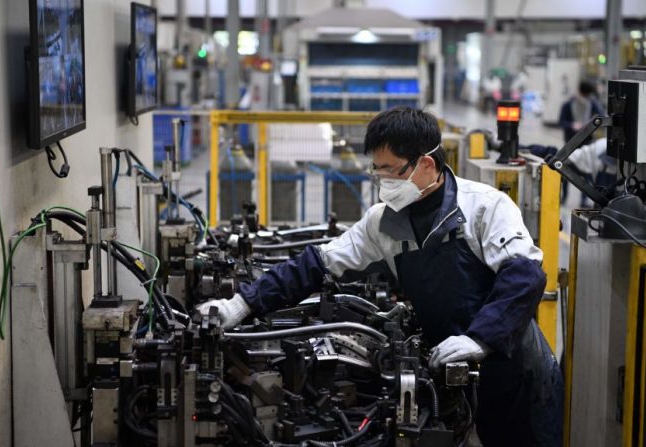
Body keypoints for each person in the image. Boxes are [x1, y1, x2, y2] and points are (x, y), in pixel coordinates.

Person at [196, 107, 563, 446]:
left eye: (390, 170)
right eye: (376, 170)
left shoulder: (485, 206)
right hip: (451, 372)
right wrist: (241, 304)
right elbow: (316, 264)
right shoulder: (382, 222)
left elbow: (525, 276)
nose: (381, 180)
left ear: (425, 164)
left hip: (515, 373)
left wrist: (481, 338)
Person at [559, 81, 605, 206]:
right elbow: (561, 121)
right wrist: (571, 125)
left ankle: (584, 199)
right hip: (570, 144)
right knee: (565, 170)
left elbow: (601, 116)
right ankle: (564, 196)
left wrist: (590, 123)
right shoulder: (568, 104)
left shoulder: (593, 104)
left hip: (587, 142)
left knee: (586, 171)